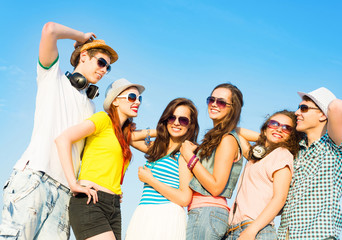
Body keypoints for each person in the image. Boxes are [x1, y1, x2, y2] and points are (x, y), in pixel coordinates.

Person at [0, 22, 117, 239]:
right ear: (83, 56)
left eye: (108, 67)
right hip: (36, 179)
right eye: (101, 62)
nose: (104, 70)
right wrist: (81, 35)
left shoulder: (90, 107)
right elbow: (49, 30)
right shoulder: (52, 78)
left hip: (66, 193)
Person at [55, 78, 144, 240]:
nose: (137, 102)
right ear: (115, 101)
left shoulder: (123, 136)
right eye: (132, 97)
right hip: (91, 200)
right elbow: (63, 139)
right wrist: (73, 184)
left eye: (139, 99)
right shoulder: (103, 119)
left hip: (114, 206)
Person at [278, 87, 342, 240]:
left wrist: (326, 104)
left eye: (304, 108)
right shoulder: (297, 152)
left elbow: (338, 107)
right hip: (285, 235)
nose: (296, 113)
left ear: (322, 115)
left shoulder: (336, 147)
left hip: (317, 235)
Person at [125, 98, 199, 240]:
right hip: (143, 214)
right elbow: (129, 137)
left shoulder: (184, 154)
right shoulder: (157, 149)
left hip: (166, 216)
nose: (176, 122)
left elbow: (184, 198)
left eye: (183, 120)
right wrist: (160, 130)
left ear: (190, 125)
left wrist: (150, 180)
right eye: (172, 118)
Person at [225, 110, 302, 240]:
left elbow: (280, 198)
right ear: (265, 128)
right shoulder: (256, 156)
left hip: (256, 230)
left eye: (286, 128)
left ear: (291, 136)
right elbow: (233, 130)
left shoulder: (282, 154)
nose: (279, 129)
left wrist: (251, 231)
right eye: (274, 124)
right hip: (234, 229)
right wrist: (264, 137)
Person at [180, 83, 244, 240]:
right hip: (205, 214)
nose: (214, 104)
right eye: (211, 99)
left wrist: (190, 157)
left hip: (207, 213)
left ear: (232, 108)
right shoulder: (217, 137)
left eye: (221, 102)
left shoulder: (227, 140)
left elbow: (216, 187)